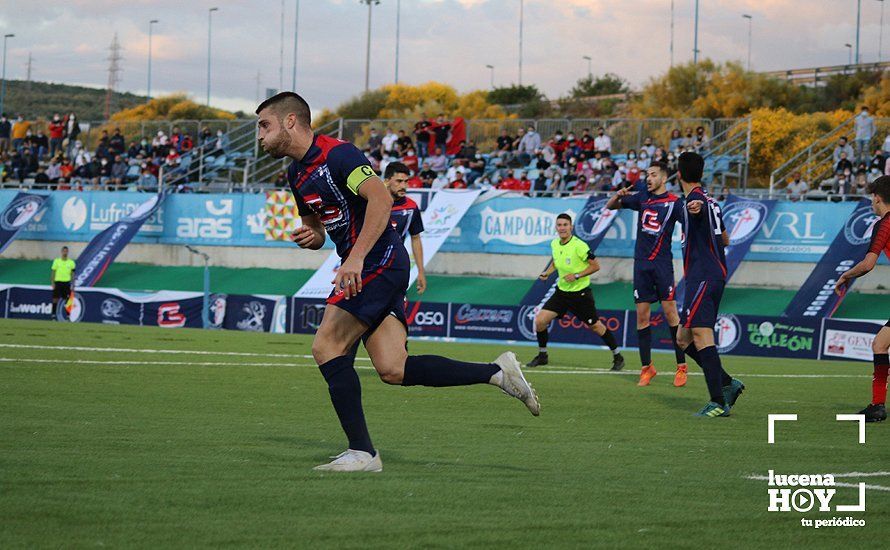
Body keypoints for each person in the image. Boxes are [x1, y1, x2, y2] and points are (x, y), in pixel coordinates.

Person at [255, 92, 539, 472]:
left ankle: (363, 453)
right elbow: (317, 228)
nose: (259, 135)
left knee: (327, 346)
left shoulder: (340, 155)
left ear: (290, 121)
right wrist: (313, 237)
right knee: (393, 368)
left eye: (264, 125)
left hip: (378, 261)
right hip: (366, 264)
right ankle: (497, 373)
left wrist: (354, 257)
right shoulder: (296, 174)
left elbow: (381, 201)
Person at [674, 152, 744, 417]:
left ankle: (718, 402)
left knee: (702, 335)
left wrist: (696, 210)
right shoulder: (712, 201)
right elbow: (725, 239)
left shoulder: (695, 199)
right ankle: (726, 382)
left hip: (703, 276)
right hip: (707, 276)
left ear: (678, 174)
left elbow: (697, 208)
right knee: (682, 338)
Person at [606, 161, 688, 386]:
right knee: (642, 316)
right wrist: (618, 195)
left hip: (662, 264)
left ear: (663, 178)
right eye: (647, 175)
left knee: (671, 312)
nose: (648, 178)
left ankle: (681, 366)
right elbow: (611, 206)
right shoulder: (642, 197)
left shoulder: (674, 203)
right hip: (641, 264)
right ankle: (647, 368)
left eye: (652, 175)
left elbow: (691, 223)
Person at [526, 213, 625, 370]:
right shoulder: (555, 244)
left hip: (580, 295)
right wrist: (548, 272)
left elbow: (595, 266)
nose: (562, 228)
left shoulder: (580, 245)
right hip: (561, 293)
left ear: (571, 227)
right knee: (540, 321)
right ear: (556, 227)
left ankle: (618, 356)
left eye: (565, 225)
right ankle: (542, 355)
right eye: (559, 225)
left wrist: (577, 275)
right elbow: (556, 261)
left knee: (596, 327)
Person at [835, 176, 890, 422]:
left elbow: (868, 264)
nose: (871, 202)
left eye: (871, 197)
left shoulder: (885, 224)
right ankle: (877, 406)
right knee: (880, 345)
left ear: (877, 197)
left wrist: (845, 275)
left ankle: (878, 405)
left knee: (879, 346)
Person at [384, 162, 426, 295]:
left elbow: (416, 238)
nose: (403, 186)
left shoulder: (411, 207)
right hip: (370, 267)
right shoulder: (372, 203)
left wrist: (420, 271)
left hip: (396, 267)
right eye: (399, 181)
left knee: (396, 311)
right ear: (386, 181)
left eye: (406, 181)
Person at [50, 246, 76, 320]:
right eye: (64, 251)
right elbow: (53, 272)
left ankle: (68, 316)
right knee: (55, 299)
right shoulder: (56, 261)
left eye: (66, 251)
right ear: (61, 252)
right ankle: (53, 315)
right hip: (58, 282)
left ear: (68, 252)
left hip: (66, 283)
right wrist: (52, 282)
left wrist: (73, 284)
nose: (65, 252)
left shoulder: (71, 262)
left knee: (68, 300)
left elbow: (73, 274)